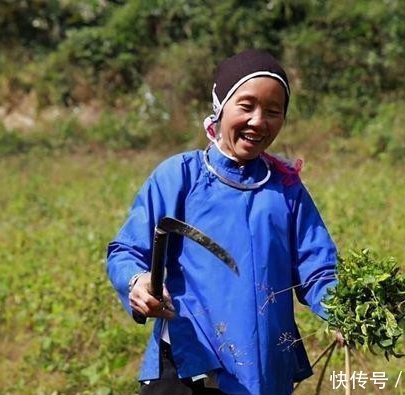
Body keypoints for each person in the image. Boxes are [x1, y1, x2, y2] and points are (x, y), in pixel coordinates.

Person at [107, 49, 338, 395]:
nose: (259, 121)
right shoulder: (179, 176)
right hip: (190, 365)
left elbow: (318, 269)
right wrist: (137, 282)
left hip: (265, 367)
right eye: (246, 106)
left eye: (273, 111)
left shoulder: (286, 189)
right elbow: (126, 251)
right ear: (220, 106)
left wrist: (346, 309)